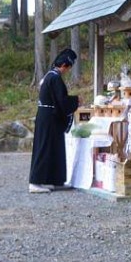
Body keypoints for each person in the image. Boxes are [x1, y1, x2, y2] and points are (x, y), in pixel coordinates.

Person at [29, 48, 80, 193]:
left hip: (48, 115)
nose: (67, 71)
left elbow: (58, 100)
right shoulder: (55, 78)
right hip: (48, 116)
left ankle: (53, 179)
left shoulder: (49, 76)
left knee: (55, 148)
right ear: (64, 66)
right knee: (44, 148)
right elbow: (61, 100)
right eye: (68, 68)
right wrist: (76, 100)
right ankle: (35, 181)